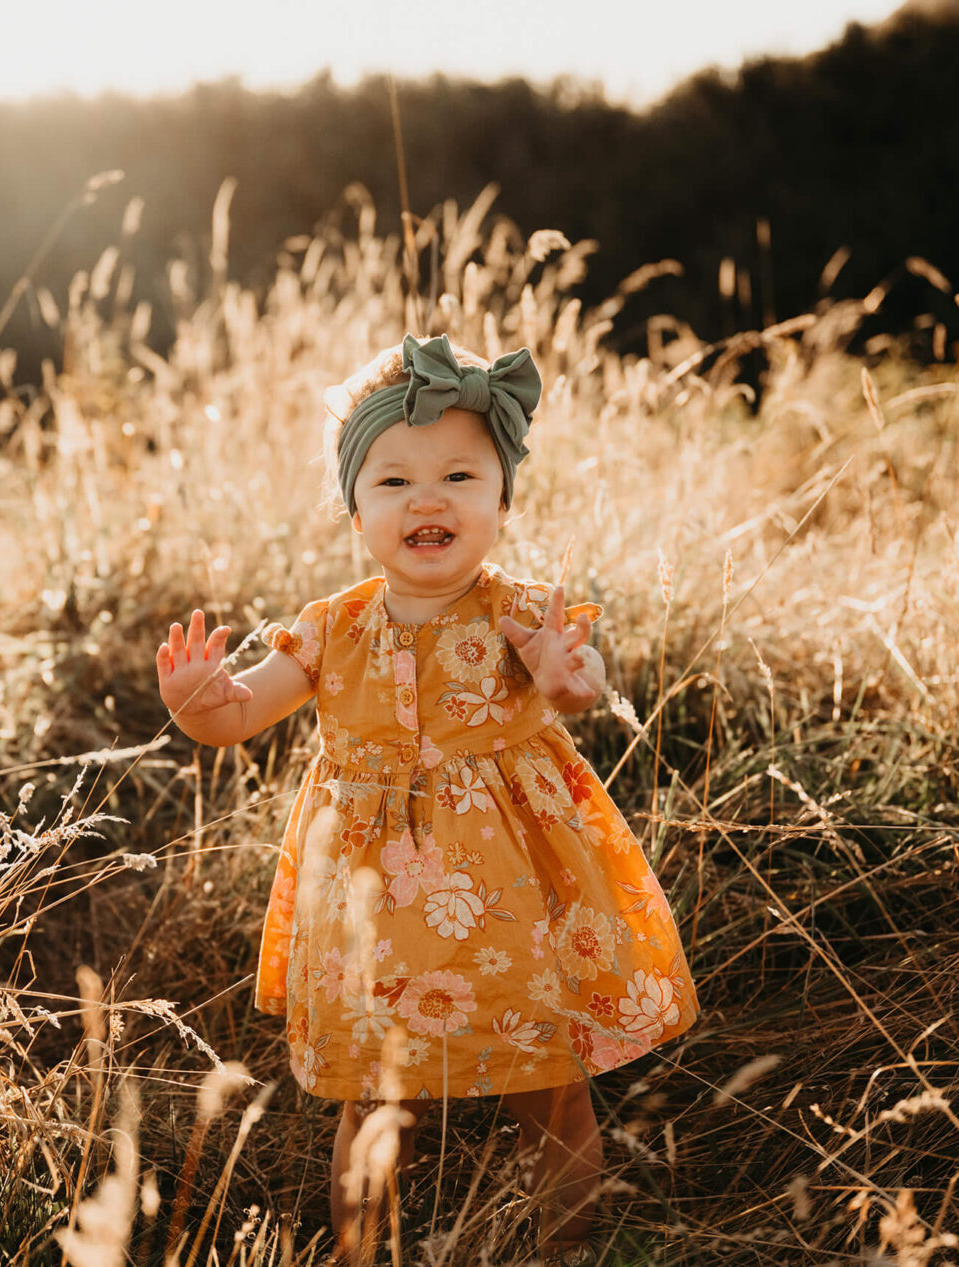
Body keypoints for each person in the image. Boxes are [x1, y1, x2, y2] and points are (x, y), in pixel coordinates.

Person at [155, 333, 695, 1265]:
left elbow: (573, 678)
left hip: (516, 897)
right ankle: (365, 1250)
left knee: (551, 1080)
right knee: (373, 1094)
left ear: (501, 498)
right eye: (394, 482)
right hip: (373, 905)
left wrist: (571, 673)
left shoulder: (516, 611)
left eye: (459, 475)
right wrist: (198, 700)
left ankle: (569, 1245)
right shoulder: (333, 627)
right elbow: (242, 711)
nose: (429, 499)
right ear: (355, 507)